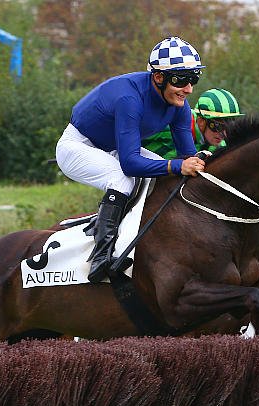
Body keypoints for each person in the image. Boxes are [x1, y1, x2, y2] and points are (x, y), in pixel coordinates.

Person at [56, 36, 207, 282]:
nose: (188, 89)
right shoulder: (130, 99)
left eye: (193, 79)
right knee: (122, 179)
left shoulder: (179, 104)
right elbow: (130, 164)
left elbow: (187, 156)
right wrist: (178, 166)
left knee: (160, 174)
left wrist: (198, 162)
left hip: (112, 147)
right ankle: (101, 257)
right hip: (76, 147)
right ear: (158, 77)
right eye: (181, 80)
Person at [142, 88, 245, 159]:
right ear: (201, 121)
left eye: (229, 127)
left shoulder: (220, 145)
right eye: (218, 126)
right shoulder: (168, 124)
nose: (224, 134)